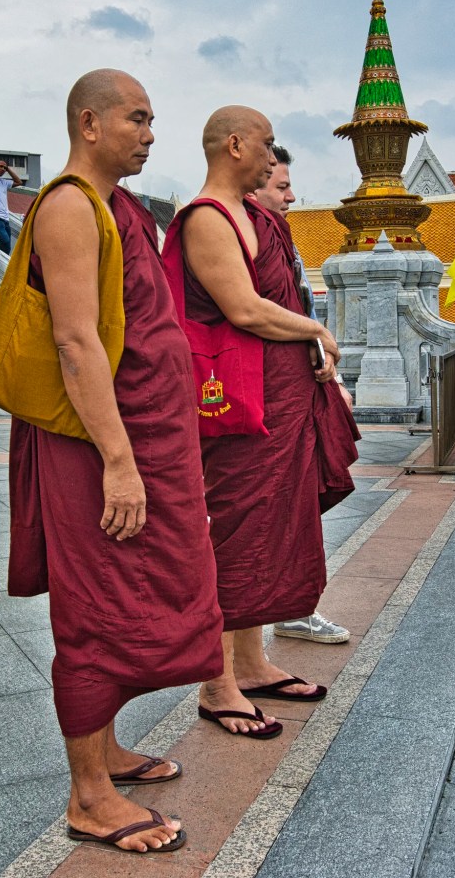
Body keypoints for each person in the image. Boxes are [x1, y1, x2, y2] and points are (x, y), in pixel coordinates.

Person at [4, 71, 223, 853]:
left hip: (143, 437)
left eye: (154, 118)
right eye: (138, 118)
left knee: (144, 591)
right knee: (97, 605)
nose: (152, 132)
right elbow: (74, 341)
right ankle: (88, 794)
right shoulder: (67, 205)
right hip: (97, 446)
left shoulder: (119, 208)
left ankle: (109, 752)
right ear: (89, 124)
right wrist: (120, 461)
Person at [167, 106, 359, 738]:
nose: (275, 157)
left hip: (277, 399)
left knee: (269, 528)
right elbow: (244, 310)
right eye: (268, 145)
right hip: (237, 404)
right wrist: (316, 329)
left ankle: (249, 663)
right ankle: (216, 681)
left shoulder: (258, 219)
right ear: (235, 145)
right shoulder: (207, 218)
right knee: (234, 531)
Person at [254, 144, 352, 646]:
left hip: (300, 384)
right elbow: (252, 311)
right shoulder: (232, 228)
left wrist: (327, 366)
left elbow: (295, 307)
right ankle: (280, 613)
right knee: (266, 514)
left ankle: (294, 605)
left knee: (299, 506)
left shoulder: (280, 235)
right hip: (263, 397)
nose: (292, 197)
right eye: (281, 187)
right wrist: (318, 333)